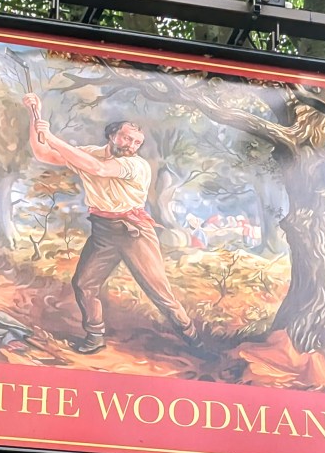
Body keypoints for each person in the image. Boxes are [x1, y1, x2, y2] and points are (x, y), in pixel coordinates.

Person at [22, 94, 199, 353]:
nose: (131, 145)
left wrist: (52, 137)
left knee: (160, 293)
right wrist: (33, 113)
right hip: (102, 231)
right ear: (112, 135)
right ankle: (95, 336)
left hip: (134, 233)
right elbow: (43, 153)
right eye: (126, 138)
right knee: (84, 284)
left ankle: (194, 340)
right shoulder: (90, 154)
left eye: (137, 142)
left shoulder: (135, 165)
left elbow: (99, 169)